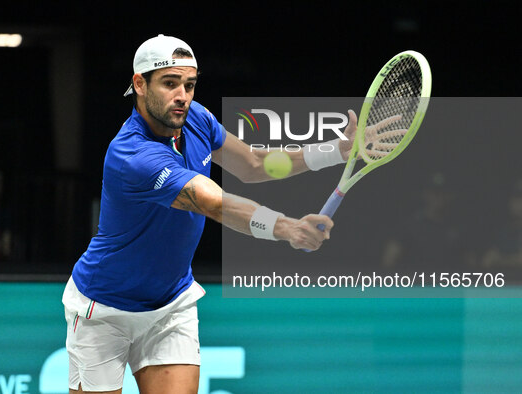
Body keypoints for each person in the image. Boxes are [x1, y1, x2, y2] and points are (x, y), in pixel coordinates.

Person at [62, 34, 359, 394]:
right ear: (139, 84)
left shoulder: (197, 118)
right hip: (104, 308)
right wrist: (286, 227)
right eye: (170, 84)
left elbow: (253, 163)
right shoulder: (132, 156)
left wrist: (338, 150)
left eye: (189, 85)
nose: (182, 96)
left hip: (171, 304)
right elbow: (213, 203)